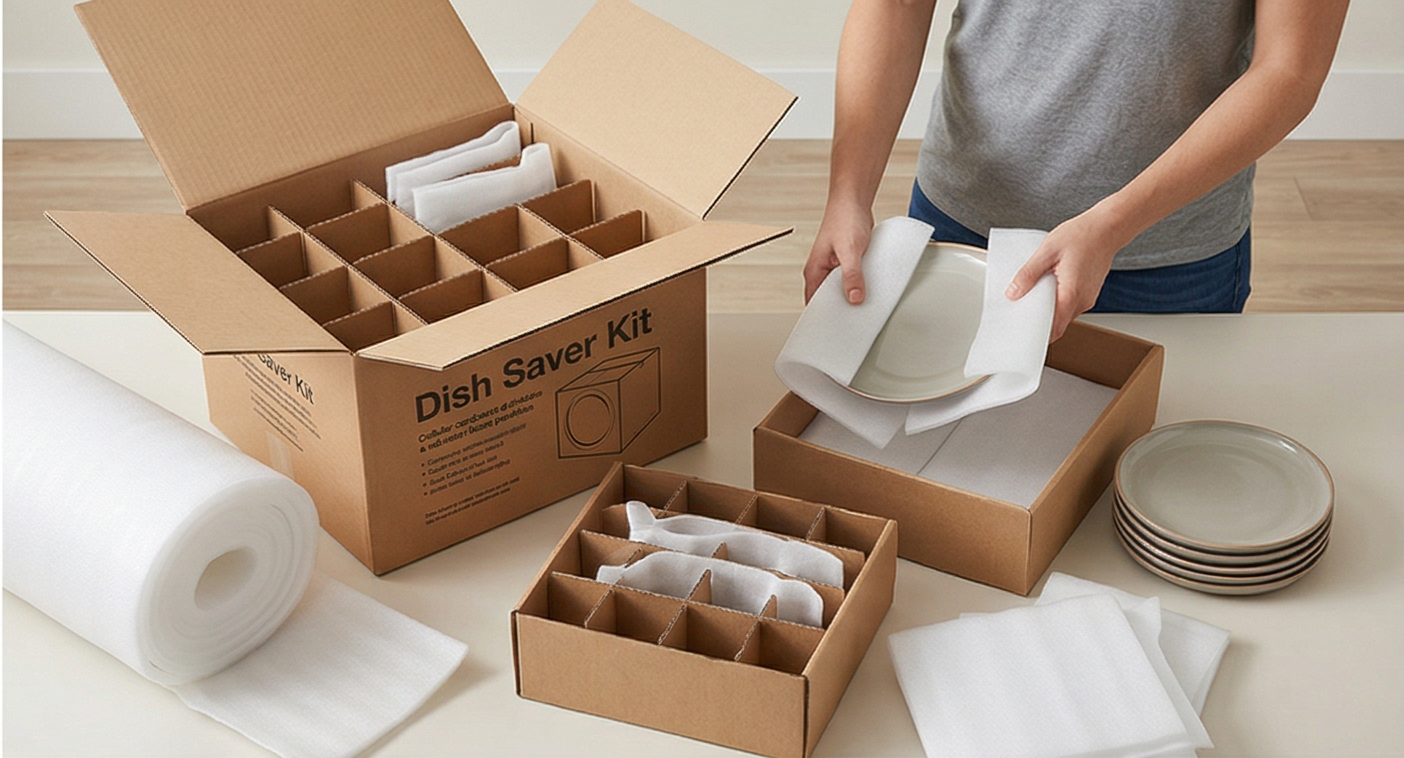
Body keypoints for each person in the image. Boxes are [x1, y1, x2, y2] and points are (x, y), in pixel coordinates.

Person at [804, 0, 1350, 340]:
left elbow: (1290, 68)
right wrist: (847, 194)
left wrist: (1113, 223)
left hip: (1164, 260)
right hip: (964, 224)